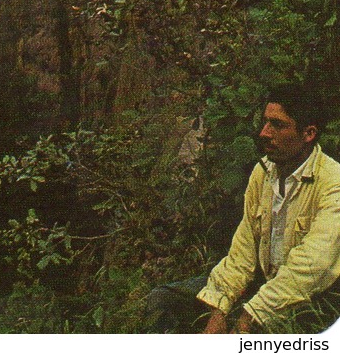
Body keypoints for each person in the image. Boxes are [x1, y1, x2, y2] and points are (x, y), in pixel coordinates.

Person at [146, 83, 340, 333]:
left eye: (277, 125)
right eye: (265, 122)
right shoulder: (263, 172)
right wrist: (219, 307)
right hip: (263, 283)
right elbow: (243, 250)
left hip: (313, 296)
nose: (264, 133)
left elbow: (314, 266)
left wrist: (251, 314)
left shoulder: (333, 182)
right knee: (163, 299)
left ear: (309, 133)